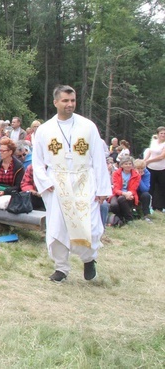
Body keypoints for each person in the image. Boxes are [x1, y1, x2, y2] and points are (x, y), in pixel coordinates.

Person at [32, 85, 111, 282]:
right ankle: (61, 268)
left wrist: (102, 188)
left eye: (73, 100)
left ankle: (89, 259)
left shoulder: (88, 126)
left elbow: (99, 158)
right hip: (57, 183)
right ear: (56, 102)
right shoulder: (44, 130)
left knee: (89, 225)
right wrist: (44, 182)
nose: (70, 104)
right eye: (65, 100)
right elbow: (38, 160)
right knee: (58, 225)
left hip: (84, 180)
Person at [109, 155, 140, 224]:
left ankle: (129, 219)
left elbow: (134, 188)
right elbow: (116, 189)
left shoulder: (136, 175)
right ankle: (121, 219)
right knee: (114, 205)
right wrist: (124, 193)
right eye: (126, 164)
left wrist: (128, 194)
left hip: (130, 195)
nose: (128, 165)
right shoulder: (116, 173)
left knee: (121, 199)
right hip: (117, 194)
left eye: (130, 164)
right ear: (122, 165)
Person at [143, 127, 165, 212]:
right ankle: (149, 206)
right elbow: (150, 152)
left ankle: (160, 207)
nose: (163, 135)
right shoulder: (154, 142)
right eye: (161, 133)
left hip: (162, 169)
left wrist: (149, 161)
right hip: (150, 168)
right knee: (150, 187)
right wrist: (144, 161)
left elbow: (162, 156)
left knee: (161, 188)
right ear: (158, 134)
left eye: (164, 134)